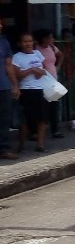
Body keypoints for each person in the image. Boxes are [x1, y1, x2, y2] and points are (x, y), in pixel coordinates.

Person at [12, 33, 48, 152]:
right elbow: (18, 75)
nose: (28, 44)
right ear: (20, 44)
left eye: (30, 41)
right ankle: (21, 144)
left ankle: (40, 144)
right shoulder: (17, 57)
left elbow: (43, 70)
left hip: (39, 88)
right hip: (26, 90)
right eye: (25, 41)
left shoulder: (38, 54)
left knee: (42, 118)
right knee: (25, 119)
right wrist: (32, 70)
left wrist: (39, 72)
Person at [34, 28, 63, 138]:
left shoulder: (52, 47)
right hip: (42, 81)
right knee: (43, 108)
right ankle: (38, 131)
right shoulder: (36, 50)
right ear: (44, 39)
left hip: (53, 80)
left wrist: (58, 67)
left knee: (54, 106)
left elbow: (61, 55)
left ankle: (55, 130)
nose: (52, 39)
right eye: (50, 37)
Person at [0, 17, 19, 160]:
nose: (0, 26)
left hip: (3, 86)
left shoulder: (4, 42)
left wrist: (14, 85)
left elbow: (8, 65)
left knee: (5, 119)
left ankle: (3, 148)